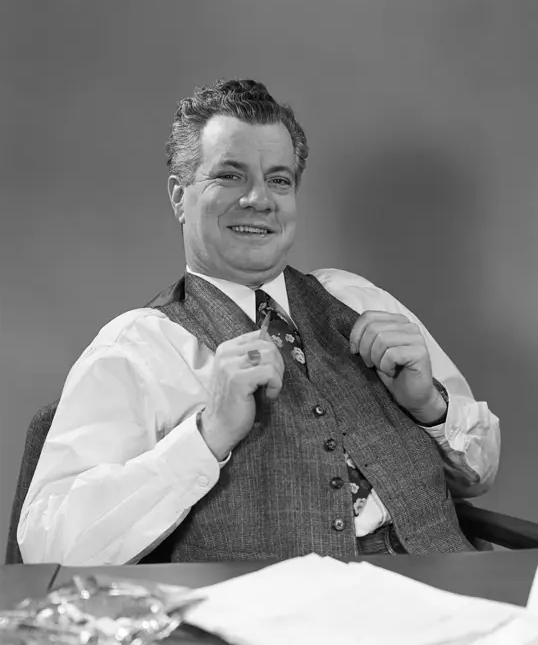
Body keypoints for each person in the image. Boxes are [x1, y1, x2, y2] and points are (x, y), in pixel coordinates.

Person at [18, 79, 500, 565]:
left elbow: (478, 475)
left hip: (445, 588)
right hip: (270, 623)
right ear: (179, 197)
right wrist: (207, 435)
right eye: (230, 175)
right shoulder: (137, 349)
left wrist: (430, 408)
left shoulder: (356, 298)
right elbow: (49, 545)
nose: (259, 199)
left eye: (279, 179)